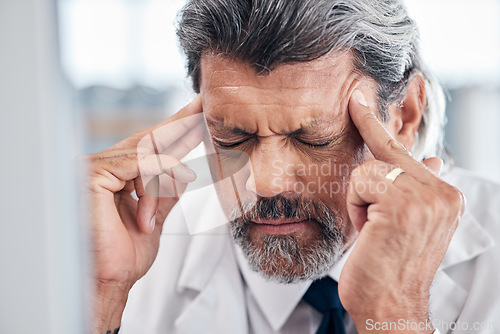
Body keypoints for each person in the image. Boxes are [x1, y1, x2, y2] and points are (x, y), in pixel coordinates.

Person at [85, 1, 500, 333]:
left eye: (312, 139)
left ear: (404, 116)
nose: (265, 183)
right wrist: (99, 301)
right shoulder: (133, 256)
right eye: (232, 138)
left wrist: (394, 316)